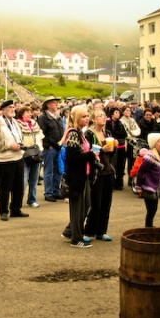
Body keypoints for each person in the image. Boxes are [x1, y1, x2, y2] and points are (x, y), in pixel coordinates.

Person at [60, 105, 97, 248]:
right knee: (78, 209)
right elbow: (73, 158)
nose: (87, 118)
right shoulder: (73, 134)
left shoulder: (80, 133)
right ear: (76, 118)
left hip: (84, 174)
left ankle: (71, 231)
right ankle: (76, 238)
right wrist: (91, 155)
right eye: (83, 116)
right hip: (76, 176)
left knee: (86, 206)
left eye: (87, 116)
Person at [0, 100, 28, 221]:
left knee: (19, 186)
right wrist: (9, 146)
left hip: (18, 157)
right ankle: (3, 211)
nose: (12, 109)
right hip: (5, 159)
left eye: (13, 107)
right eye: (10, 107)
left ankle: (16, 209)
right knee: (5, 187)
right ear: (3, 110)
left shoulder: (15, 122)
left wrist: (20, 145)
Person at [83, 109, 115, 241]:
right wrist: (102, 149)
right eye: (99, 116)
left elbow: (111, 154)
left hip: (108, 171)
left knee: (106, 203)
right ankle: (88, 231)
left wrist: (113, 148)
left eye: (104, 115)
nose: (103, 117)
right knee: (96, 203)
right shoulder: (89, 134)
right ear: (94, 119)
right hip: (97, 173)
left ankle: (101, 231)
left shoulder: (107, 133)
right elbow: (88, 152)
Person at [135, 132, 160, 227]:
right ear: (154, 144)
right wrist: (138, 186)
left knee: (153, 209)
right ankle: (148, 228)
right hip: (148, 188)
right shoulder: (150, 157)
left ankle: (149, 227)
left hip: (155, 188)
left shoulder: (159, 156)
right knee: (151, 210)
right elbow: (140, 172)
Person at [37, 96, 64, 202]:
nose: (56, 104)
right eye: (53, 103)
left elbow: (61, 130)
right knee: (48, 171)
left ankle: (56, 191)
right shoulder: (43, 117)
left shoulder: (57, 116)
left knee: (58, 170)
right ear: (48, 105)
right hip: (50, 148)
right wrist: (48, 145)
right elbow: (42, 133)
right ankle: (48, 193)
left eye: (56, 102)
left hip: (59, 147)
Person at [16, 105, 43, 208]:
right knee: (23, 180)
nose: (30, 114)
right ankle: (18, 201)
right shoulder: (18, 124)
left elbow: (40, 136)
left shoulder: (34, 123)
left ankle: (32, 199)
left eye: (30, 112)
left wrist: (40, 148)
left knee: (34, 179)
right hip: (25, 154)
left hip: (36, 153)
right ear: (22, 114)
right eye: (27, 112)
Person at [107, 107, 128, 191]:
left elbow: (124, 134)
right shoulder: (108, 123)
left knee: (121, 166)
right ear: (112, 114)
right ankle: (112, 183)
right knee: (113, 165)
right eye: (116, 112)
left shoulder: (120, 123)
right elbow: (110, 133)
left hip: (121, 147)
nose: (118, 114)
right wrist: (118, 134)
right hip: (113, 147)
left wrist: (117, 135)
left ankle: (119, 183)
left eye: (119, 113)